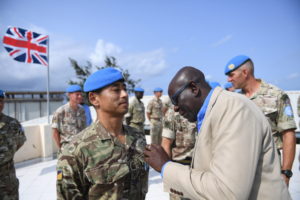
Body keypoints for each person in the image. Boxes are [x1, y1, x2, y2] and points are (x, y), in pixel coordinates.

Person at [144, 66, 291, 200]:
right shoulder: (212, 112)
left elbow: (227, 193)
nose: (175, 108)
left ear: (194, 88)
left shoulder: (234, 109)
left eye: (176, 100)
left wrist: (166, 167)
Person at [56, 68, 149, 199]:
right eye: (116, 90)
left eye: (124, 89)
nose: (124, 94)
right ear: (94, 99)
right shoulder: (74, 151)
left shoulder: (138, 137)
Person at [224, 55, 297, 185]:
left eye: (231, 75)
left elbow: (288, 135)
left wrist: (286, 173)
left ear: (245, 72)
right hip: (241, 171)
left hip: (269, 170)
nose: (229, 79)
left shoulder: (276, 95)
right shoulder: (234, 100)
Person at [161, 103, 197, 200]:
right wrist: (167, 172)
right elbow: (166, 144)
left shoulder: (205, 110)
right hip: (180, 168)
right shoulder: (173, 112)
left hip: (202, 171)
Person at [0, 89, 26, 200]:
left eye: (1, 101)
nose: (0, 104)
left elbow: (20, 142)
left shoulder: (13, 123)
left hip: (7, 182)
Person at [52, 85, 86, 150]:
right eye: (77, 94)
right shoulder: (61, 111)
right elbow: (55, 133)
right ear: (69, 95)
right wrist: (61, 149)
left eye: (81, 95)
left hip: (80, 145)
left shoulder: (82, 110)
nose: (80, 97)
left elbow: (84, 128)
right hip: (67, 146)